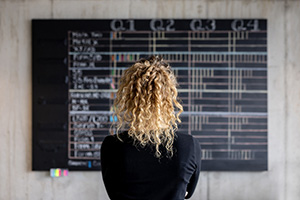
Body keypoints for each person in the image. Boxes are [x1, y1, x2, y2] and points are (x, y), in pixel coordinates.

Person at [101, 56, 201, 200]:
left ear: (130, 97)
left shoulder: (112, 146)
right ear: (169, 95)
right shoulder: (189, 145)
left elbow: (113, 193)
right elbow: (187, 193)